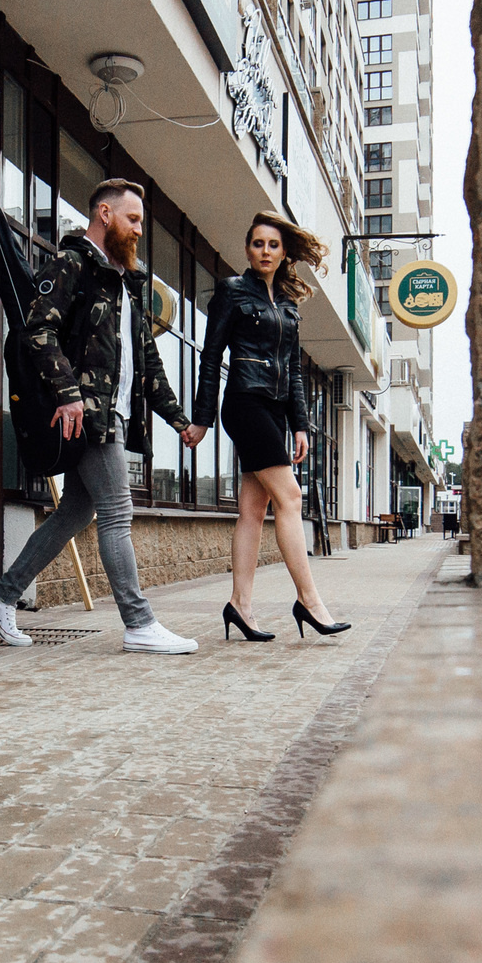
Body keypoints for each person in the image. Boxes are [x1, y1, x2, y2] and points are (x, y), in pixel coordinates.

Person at [0, 178, 205, 653]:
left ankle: (3, 596)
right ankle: (138, 623)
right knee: (117, 511)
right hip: (85, 414)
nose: (138, 231)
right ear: (105, 215)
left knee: (76, 511)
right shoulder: (72, 265)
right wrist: (68, 394)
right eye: (132, 220)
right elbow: (37, 330)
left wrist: (177, 420)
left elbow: (147, 362)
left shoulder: (126, 282)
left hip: (113, 414)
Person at [185, 212, 352, 643]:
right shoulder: (232, 292)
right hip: (244, 402)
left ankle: (239, 605)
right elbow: (209, 356)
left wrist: (301, 425)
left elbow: (294, 370)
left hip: (275, 412)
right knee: (291, 495)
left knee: (254, 511)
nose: (265, 251)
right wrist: (203, 418)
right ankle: (310, 601)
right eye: (257, 244)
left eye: (273, 245)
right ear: (247, 249)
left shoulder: (289, 306)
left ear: (283, 253)